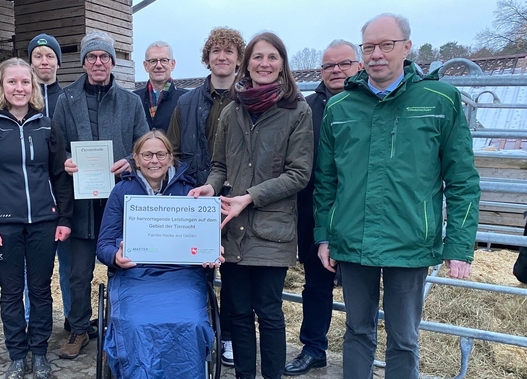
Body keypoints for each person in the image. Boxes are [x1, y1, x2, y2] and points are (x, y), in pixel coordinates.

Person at [313, 13, 480, 379]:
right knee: (357, 331)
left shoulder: (440, 100)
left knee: (404, 337)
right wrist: (324, 235)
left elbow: (463, 178)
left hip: (411, 240)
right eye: (369, 46)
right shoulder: (340, 108)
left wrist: (458, 245)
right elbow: (326, 181)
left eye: (386, 45)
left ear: (406, 47)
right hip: (353, 238)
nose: (376, 54)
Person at [190, 32, 313, 379]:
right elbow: (219, 166)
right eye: (258, 57)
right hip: (232, 227)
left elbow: (299, 173)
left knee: (270, 313)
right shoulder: (232, 111)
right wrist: (210, 187)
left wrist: (250, 196)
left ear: (282, 64)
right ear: (248, 64)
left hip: (272, 229)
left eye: (272, 57)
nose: (264, 64)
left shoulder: (297, 111)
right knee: (239, 312)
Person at [0, 58, 73, 379]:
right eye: (12, 82)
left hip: (44, 221)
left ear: (33, 87)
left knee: (40, 291)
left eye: (24, 82)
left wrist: (65, 218)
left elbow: (61, 176)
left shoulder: (47, 126)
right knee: (12, 293)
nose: (19, 88)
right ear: (1, 87)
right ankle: (17, 355)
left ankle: (39, 354)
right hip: (4, 224)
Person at [52, 30, 149, 360]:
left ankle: (122, 326)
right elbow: (56, 145)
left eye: (104, 57)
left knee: (123, 267)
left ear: (112, 62)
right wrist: (64, 159)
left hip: (118, 201)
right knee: (78, 273)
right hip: (79, 203)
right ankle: (79, 329)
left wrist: (131, 160)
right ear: (83, 63)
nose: (98, 62)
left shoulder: (131, 102)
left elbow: (145, 147)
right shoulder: (66, 100)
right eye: (91, 57)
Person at [96, 130, 222, 378]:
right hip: (136, 276)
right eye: (147, 155)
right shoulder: (121, 192)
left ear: (170, 157)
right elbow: (104, 245)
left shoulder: (191, 192)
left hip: (181, 276)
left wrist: (210, 250)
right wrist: (115, 257)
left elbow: (203, 238)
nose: (154, 160)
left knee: (193, 324)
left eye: (161, 154)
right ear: (136, 158)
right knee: (134, 324)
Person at [166, 26, 246, 367]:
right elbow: (172, 152)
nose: (222, 56)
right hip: (196, 197)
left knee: (234, 273)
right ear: (207, 58)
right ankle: (197, 333)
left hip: (238, 201)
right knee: (197, 269)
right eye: (216, 51)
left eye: (229, 51)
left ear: (239, 59)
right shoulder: (186, 101)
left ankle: (227, 335)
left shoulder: (249, 100)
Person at [283, 39, 362, 377]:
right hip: (315, 209)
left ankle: (362, 351)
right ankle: (314, 347)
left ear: (358, 66)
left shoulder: (370, 104)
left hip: (361, 208)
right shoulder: (307, 107)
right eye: (329, 66)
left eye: (344, 64)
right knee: (317, 282)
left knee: (363, 285)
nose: (336, 71)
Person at [25, 32, 72, 330]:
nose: (44, 61)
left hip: (67, 194)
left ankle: (71, 319)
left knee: (68, 265)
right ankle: (33, 320)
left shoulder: (68, 98)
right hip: (32, 197)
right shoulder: (20, 100)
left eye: (50, 56)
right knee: (34, 269)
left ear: (58, 61)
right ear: (30, 62)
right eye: (38, 56)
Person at [133, 41, 188, 132]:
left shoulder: (186, 100)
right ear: (146, 66)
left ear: (172, 64)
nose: (159, 66)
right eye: (153, 61)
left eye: (164, 60)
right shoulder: (133, 100)